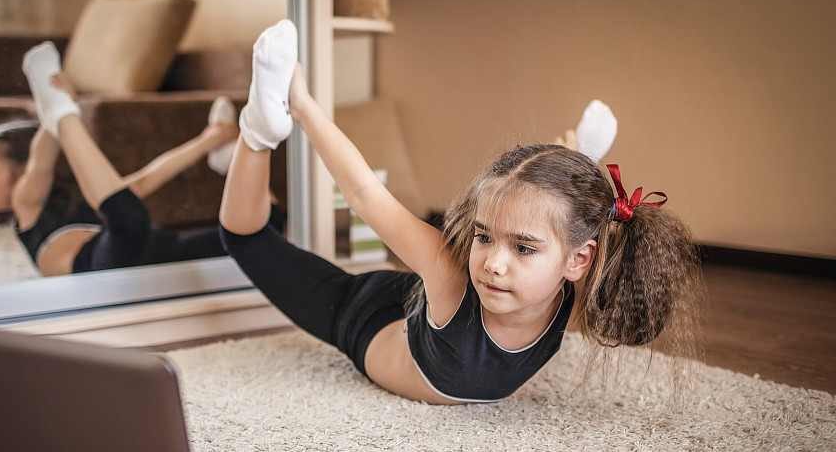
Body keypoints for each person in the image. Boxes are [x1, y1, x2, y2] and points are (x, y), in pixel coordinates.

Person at [218, 20, 703, 404]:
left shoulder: (574, 294)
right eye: (485, 236)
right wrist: (301, 105)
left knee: (536, 218)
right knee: (246, 238)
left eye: (524, 247)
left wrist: (576, 175)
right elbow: (365, 193)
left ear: (577, 261)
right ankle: (259, 129)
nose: (492, 261)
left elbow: (628, 315)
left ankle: (578, 165)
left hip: (426, 304)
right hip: (360, 314)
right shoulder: (454, 274)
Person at [0, 41, 282, 277]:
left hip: (156, 250)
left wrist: (207, 141)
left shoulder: (83, 198)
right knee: (130, 219)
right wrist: (60, 110)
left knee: (268, 229)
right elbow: (42, 160)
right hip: (99, 263)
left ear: (19, 168)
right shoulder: (28, 206)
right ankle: (62, 113)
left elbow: (147, 178)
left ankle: (225, 160)